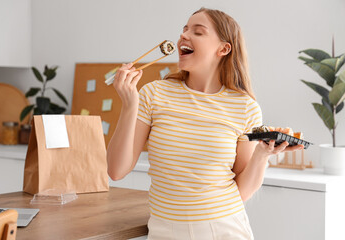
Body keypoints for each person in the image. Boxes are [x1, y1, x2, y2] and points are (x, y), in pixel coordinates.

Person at [107, 7, 304, 240]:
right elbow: (116, 171)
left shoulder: (245, 107)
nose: (184, 36)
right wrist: (130, 105)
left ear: (223, 48)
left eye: (198, 32)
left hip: (224, 229)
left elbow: (242, 190)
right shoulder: (154, 94)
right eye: (184, 30)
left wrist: (261, 155)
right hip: (165, 231)